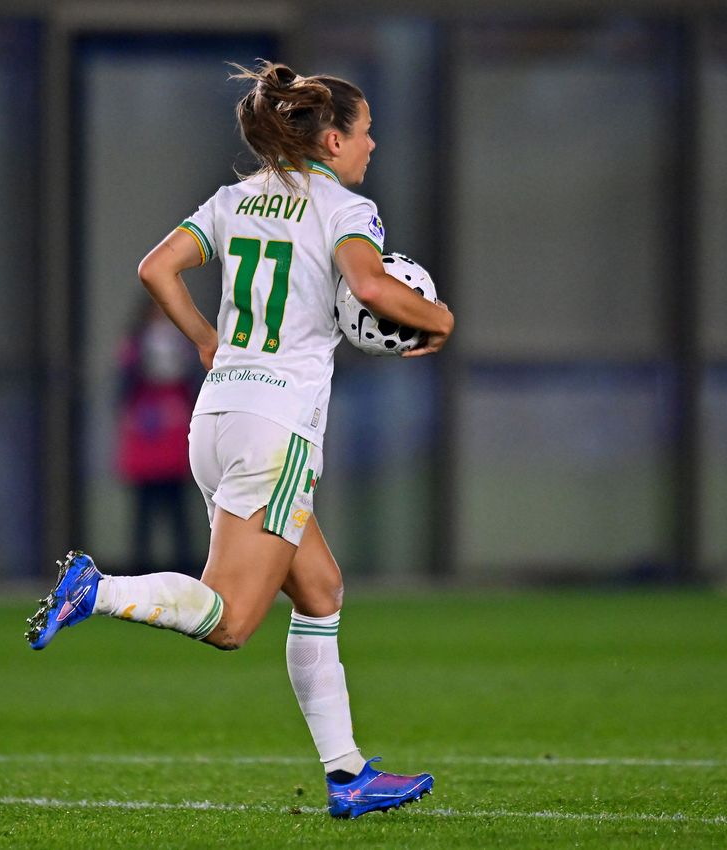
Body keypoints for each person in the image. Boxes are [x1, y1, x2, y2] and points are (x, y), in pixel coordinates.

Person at [25, 61, 453, 818]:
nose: (372, 145)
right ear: (330, 138)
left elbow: (155, 269)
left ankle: (348, 775)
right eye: (364, 132)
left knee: (318, 588)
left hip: (216, 419)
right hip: (277, 430)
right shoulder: (344, 208)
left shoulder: (234, 199)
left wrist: (203, 339)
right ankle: (100, 589)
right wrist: (441, 320)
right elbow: (373, 289)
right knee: (231, 622)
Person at [114, 299, 201, 574]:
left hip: (174, 444)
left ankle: (185, 570)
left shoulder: (186, 350)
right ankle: (140, 571)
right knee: (144, 512)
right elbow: (121, 395)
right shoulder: (134, 349)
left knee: (178, 512)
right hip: (146, 445)